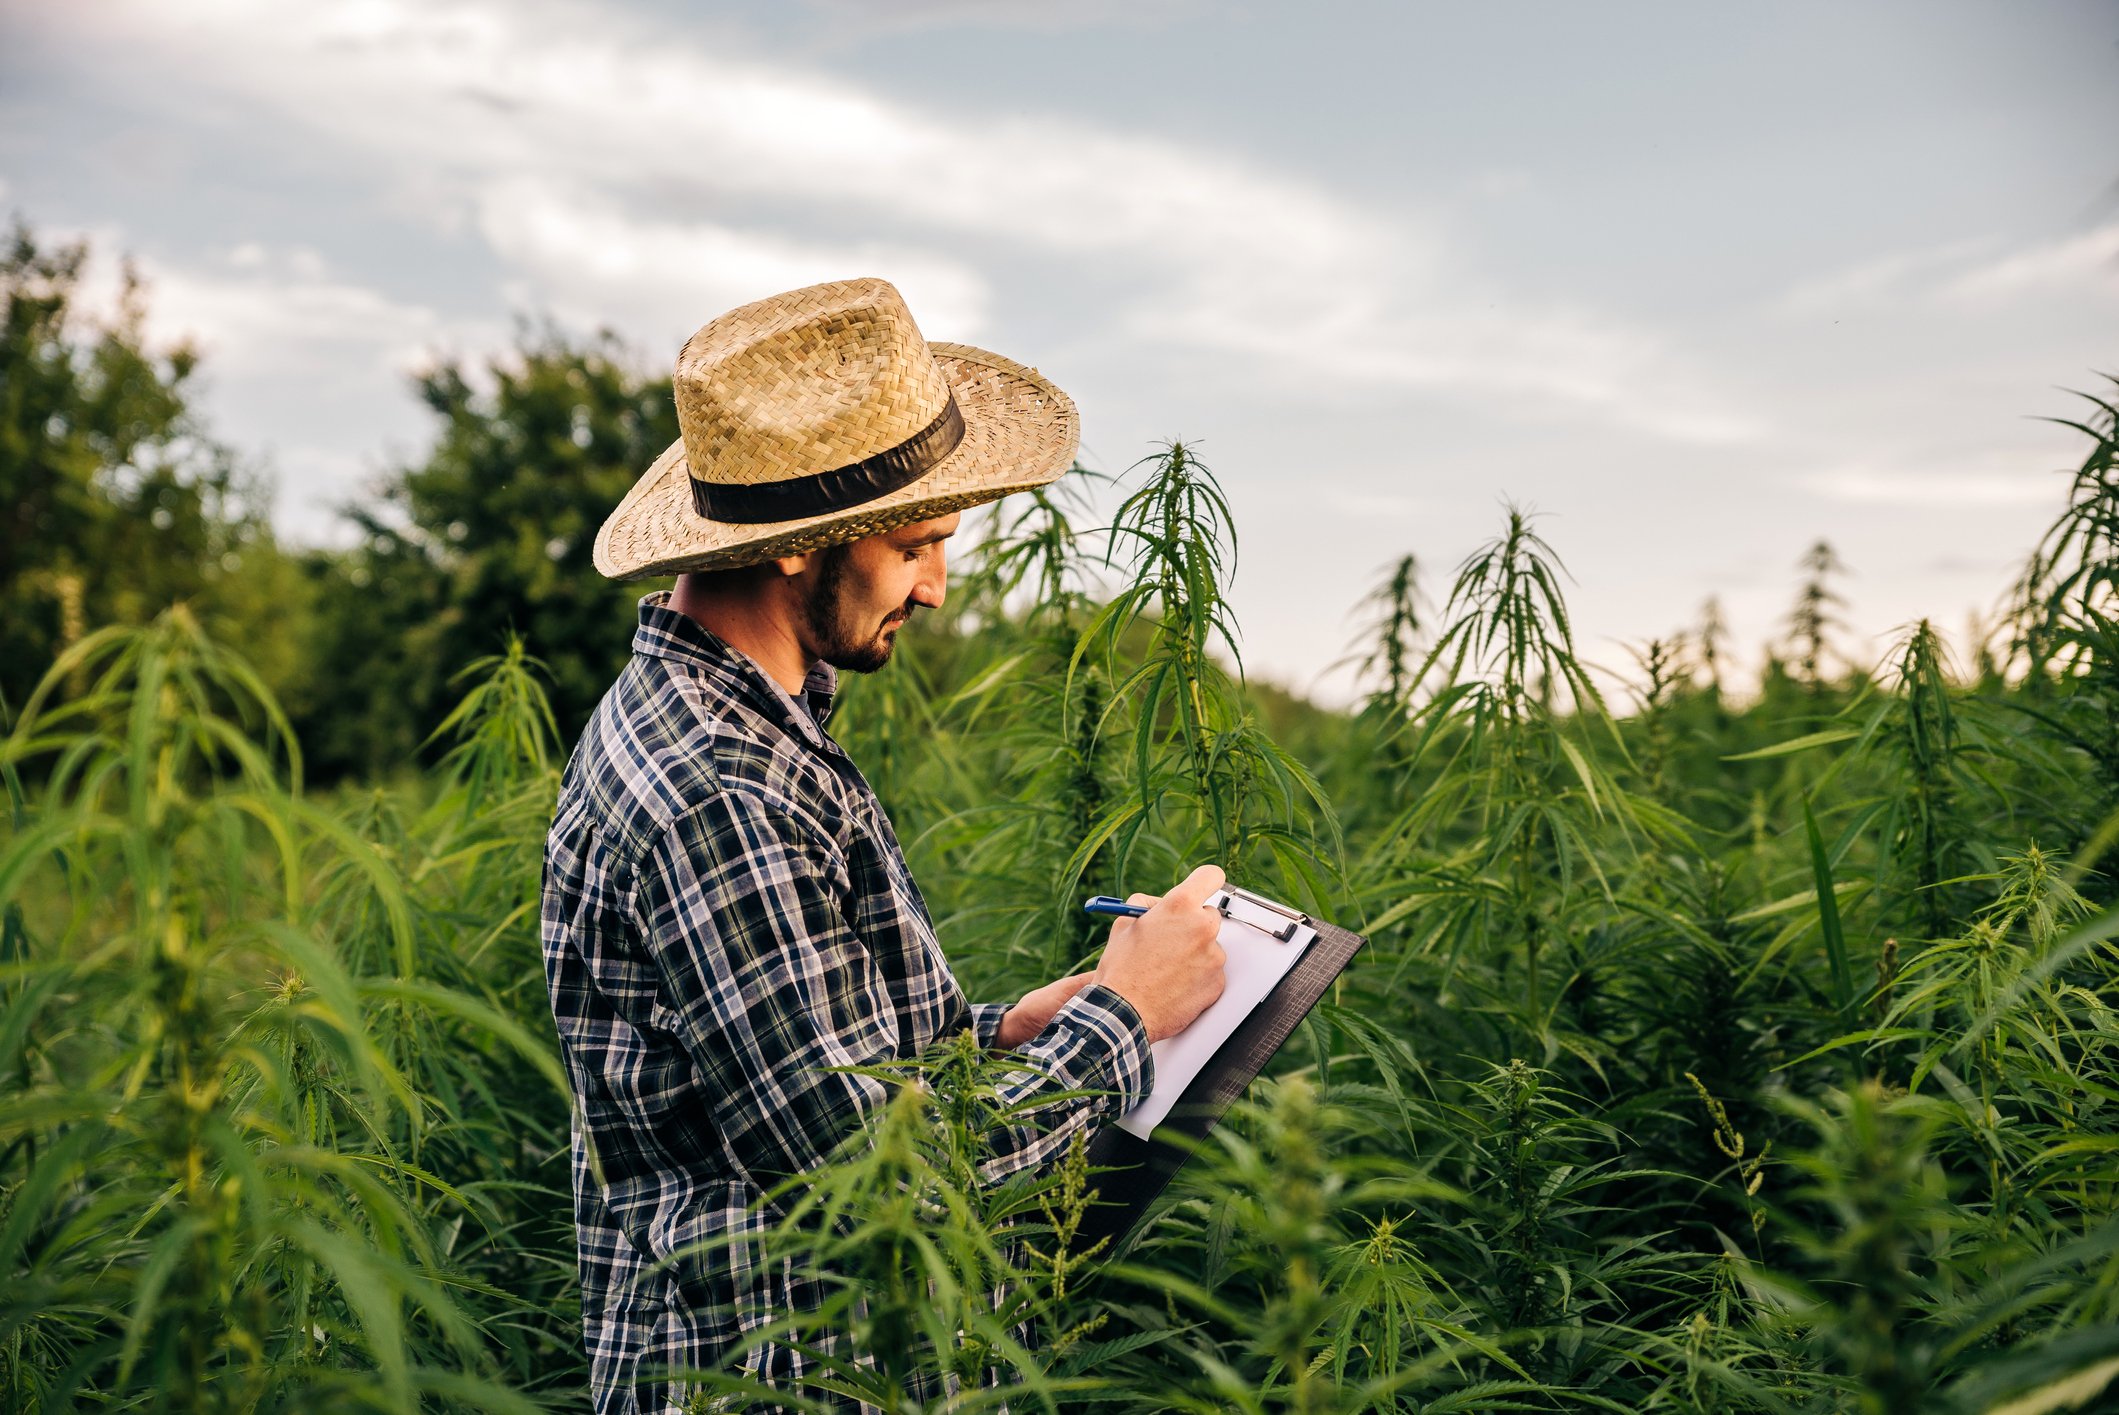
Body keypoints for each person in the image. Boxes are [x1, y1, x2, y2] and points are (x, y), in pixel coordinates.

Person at [540, 277, 1230, 1413]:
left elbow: (808, 1068)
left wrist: (999, 1031)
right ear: (801, 548)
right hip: (780, 1378)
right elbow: (874, 1185)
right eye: (915, 545)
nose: (939, 585)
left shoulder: (743, 729)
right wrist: (1126, 1018)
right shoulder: (722, 787)